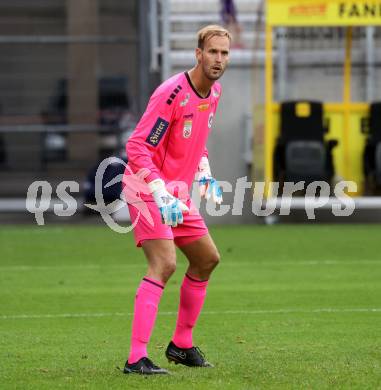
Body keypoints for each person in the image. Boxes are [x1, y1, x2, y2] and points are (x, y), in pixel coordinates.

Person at [122, 25, 231, 375]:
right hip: (146, 189)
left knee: (207, 260)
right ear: (198, 54)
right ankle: (136, 358)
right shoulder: (171, 93)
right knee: (164, 264)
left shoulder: (213, 94)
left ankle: (181, 345)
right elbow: (138, 147)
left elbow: (194, 139)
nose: (218, 59)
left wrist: (205, 170)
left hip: (177, 194)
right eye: (212, 52)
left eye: (224, 53)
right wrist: (157, 191)